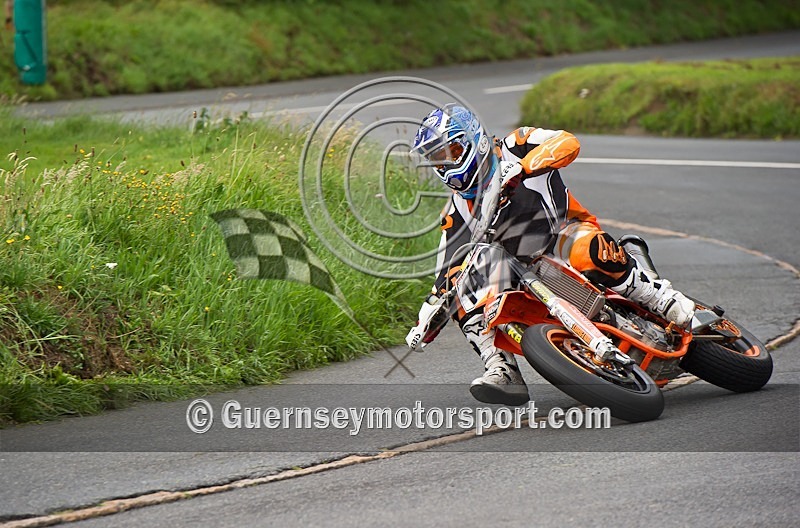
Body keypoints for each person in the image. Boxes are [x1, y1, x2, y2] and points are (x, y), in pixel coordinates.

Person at [409, 104, 695, 406]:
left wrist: (525, 166)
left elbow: (567, 141)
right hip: (520, 273)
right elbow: (447, 270)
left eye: (450, 152)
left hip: (564, 234)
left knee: (586, 249)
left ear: (474, 140)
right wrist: (428, 314)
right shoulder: (454, 214)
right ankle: (501, 367)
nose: (444, 165)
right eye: (436, 159)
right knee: (462, 293)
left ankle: (661, 299)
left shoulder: (517, 144)